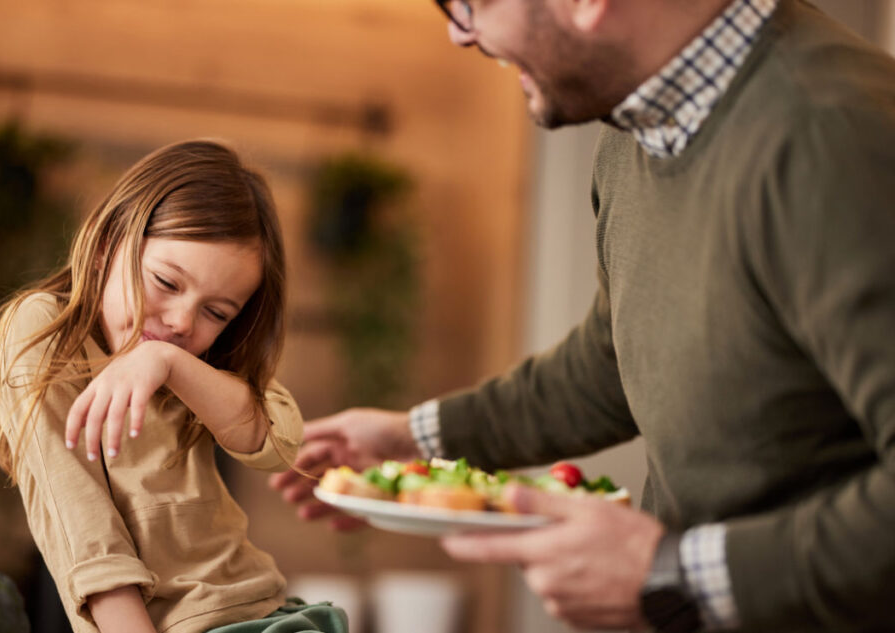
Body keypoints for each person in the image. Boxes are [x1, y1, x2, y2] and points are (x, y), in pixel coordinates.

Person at [270, 0, 895, 631]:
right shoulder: (636, 129)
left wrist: (672, 573)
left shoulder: (835, 135)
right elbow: (616, 358)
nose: (461, 34)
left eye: (465, 4)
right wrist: (415, 441)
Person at [0, 139, 348, 633]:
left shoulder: (190, 360)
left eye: (216, 312)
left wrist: (166, 361)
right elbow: (85, 533)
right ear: (110, 241)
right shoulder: (44, 329)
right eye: (167, 283)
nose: (179, 321)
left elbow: (280, 439)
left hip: (268, 614)